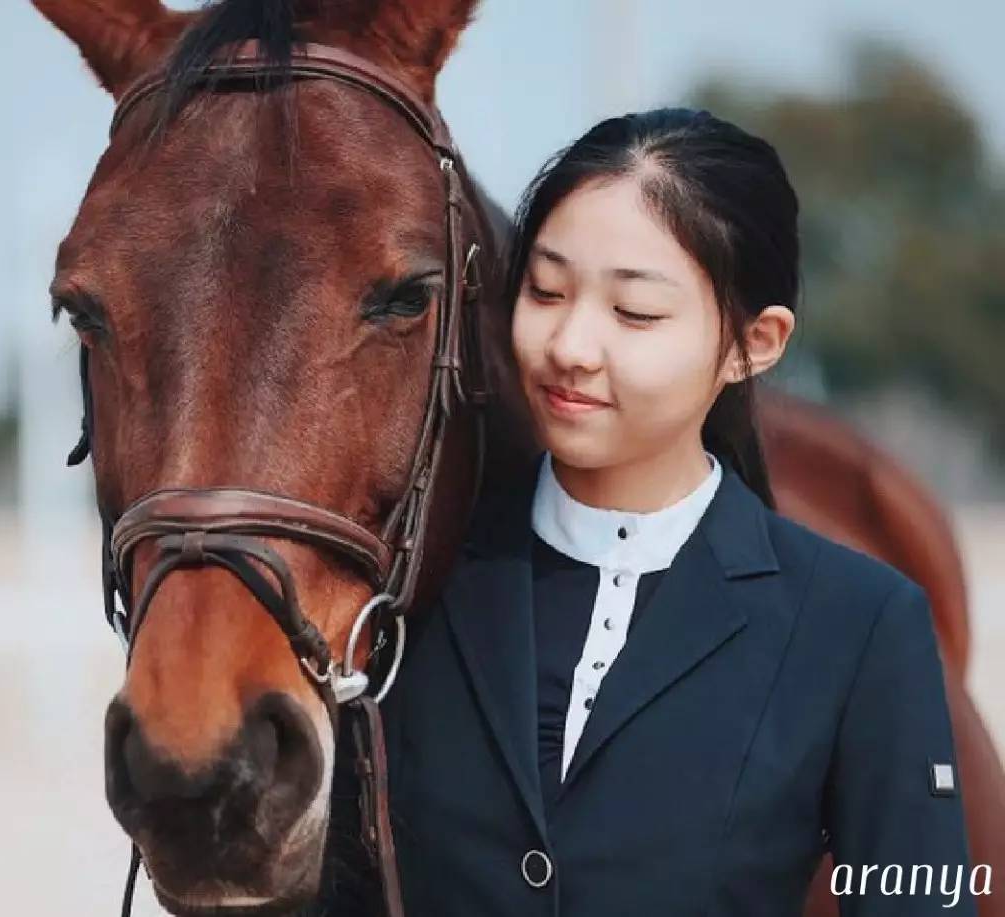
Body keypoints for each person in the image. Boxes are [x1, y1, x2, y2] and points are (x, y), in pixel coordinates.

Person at [374, 108, 977, 916]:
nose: (571, 345)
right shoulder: (417, 585)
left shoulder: (861, 626)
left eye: (635, 313)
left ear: (753, 343)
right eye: (546, 290)